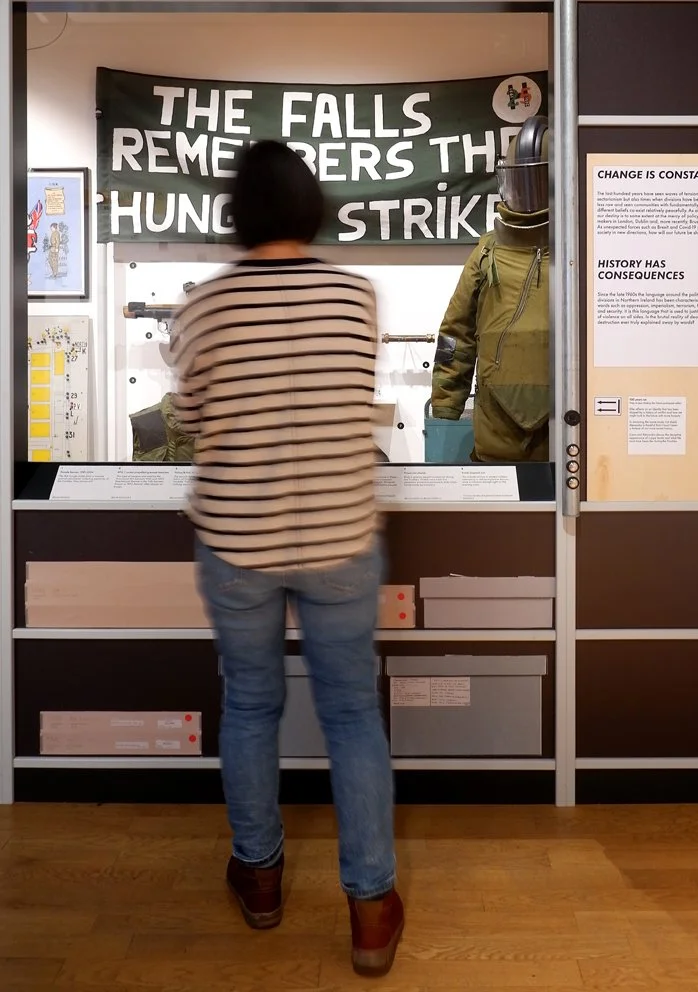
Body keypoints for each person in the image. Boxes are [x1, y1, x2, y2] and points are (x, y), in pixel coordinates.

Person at [170, 140, 404, 978]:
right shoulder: (355, 296)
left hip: (237, 542)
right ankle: (372, 907)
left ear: (239, 212)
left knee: (251, 709)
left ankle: (261, 879)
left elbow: (191, 418)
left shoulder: (203, 307)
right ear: (313, 205)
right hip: (340, 535)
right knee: (352, 717)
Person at [430, 114, 551, 463]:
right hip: (498, 442)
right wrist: (445, 409)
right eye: (520, 182)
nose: (526, 195)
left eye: (537, 183)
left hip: (568, 433)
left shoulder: (582, 255)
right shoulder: (486, 252)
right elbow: (455, 339)